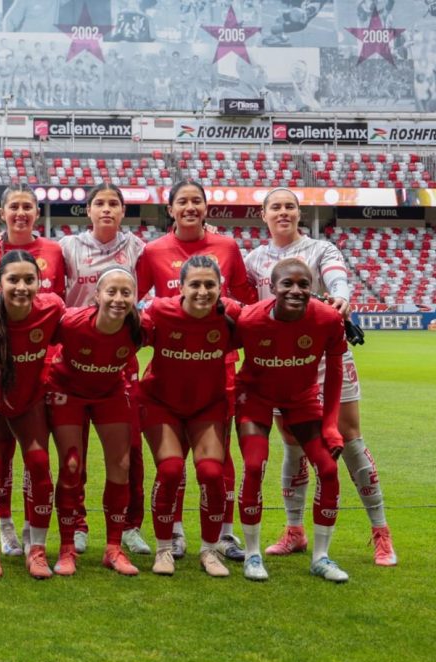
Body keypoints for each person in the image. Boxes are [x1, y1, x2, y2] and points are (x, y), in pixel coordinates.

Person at [244, 188, 396, 565]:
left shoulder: (321, 250)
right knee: (293, 441)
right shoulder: (253, 259)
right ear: (262, 215)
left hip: (326, 357)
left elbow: (337, 279)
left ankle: (381, 531)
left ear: (299, 213)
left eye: (290, 207)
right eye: (275, 207)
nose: (283, 212)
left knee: (348, 438)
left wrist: (341, 297)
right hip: (283, 364)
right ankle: (295, 530)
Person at [136, 179, 257, 562]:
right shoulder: (153, 251)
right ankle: (173, 532)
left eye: (197, 201)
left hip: (217, 364)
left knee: (218, 462)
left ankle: (223, 535)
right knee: (172, 462)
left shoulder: (227, 247)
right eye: (182, 202)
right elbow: (135, 302)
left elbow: (246, 301)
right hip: (172, 365)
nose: (190, 207)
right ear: (169, 209)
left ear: (207, 208)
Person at [233, 259, 349, 583]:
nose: (296, 290)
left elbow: (335, 373)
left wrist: (330, 424)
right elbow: (222, 352)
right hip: (254, 397)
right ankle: (253, 554)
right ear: (272, 287)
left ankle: (321, 558)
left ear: (313, 287)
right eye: (287, 284)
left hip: (302, 399)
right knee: (254, 466)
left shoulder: (327, 319)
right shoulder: (250, 319)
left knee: (328, 468)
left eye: (303, 284)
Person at [0, 183, 66, 559]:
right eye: (14, 207)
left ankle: (34, 537)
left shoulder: (55, 255)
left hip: (33, 378)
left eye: (28, 206)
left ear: (37, 213)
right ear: (2, 213)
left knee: (38, 461)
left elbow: (70, 313)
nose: (21, 213)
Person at [58, 183, 148, 557]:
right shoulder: (66, 247)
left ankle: (129, 526)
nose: (107, 209)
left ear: (123, 211)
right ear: (88, 211)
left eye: (114, 203)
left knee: (130, 451)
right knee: (73, 453)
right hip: (74, 359)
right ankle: (77, 523)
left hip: (118, 361)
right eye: (99, 203)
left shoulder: (139, 249)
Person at [139, 256, 238, 578]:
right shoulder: (158, 311)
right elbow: (125, 337)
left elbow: (270, 326)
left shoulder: (231, 315)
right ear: (180, 287)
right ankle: (164, 548)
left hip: (208, 407)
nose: (202, 291)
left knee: (211, 474)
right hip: (161, 404)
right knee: (170, 471)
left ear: (220, 288)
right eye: (194, 284)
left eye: (210, 284)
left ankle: (209, 551)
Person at [46, 267, 141, 577]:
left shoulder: (140, 327)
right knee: (72, 466)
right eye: (111, 292)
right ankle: (67, 548)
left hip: (110, 391)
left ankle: (113, 548)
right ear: (96, 295)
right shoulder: (72, 323)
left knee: (122, 465)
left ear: (134, 298)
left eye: (126, 292)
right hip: (67, 392)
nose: (118, 298)